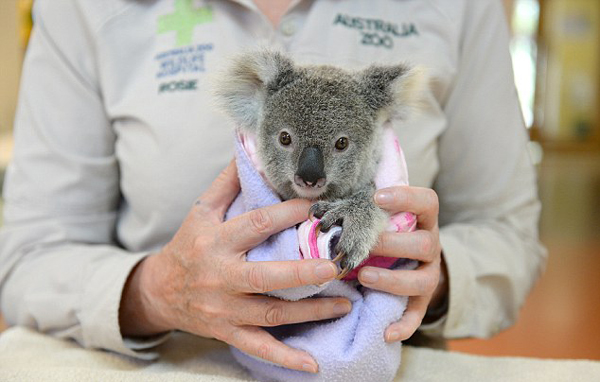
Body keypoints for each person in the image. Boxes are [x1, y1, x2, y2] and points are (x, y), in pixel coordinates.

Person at [0, 0, 546, 375]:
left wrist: (418, 273)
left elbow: (508, 235)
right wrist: (158, 291)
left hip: (379, 359)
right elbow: (28, 255)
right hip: (175, 361)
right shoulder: (84, 9)